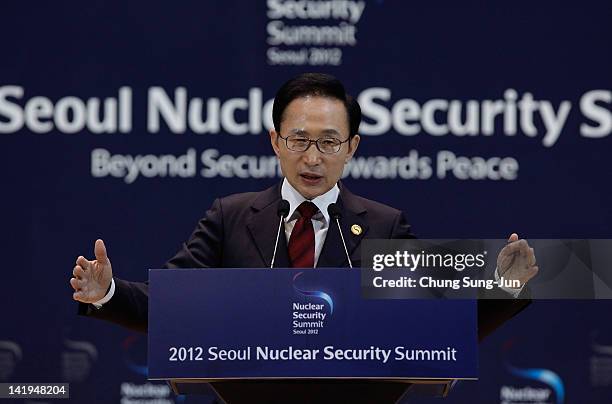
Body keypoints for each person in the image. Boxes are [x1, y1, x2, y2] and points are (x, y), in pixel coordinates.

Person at [70, 73, 538, 403]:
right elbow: (172, 304)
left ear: (352, 148)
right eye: (299, 140)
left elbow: (435, 329)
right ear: (275, 142)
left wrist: (505, 287)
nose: (312, 158)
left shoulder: (383, 224)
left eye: (329, 142)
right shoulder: (230, 217)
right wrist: (107, 294)